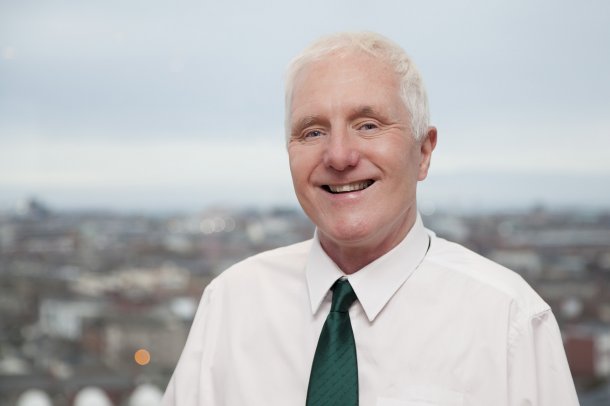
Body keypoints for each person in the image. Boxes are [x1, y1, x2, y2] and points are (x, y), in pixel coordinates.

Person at [162, 32, 579, 406]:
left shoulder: (510, 320)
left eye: (368, 125)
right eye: (312, 132)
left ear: (424, 152)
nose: (339, 156)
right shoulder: (231, 304)